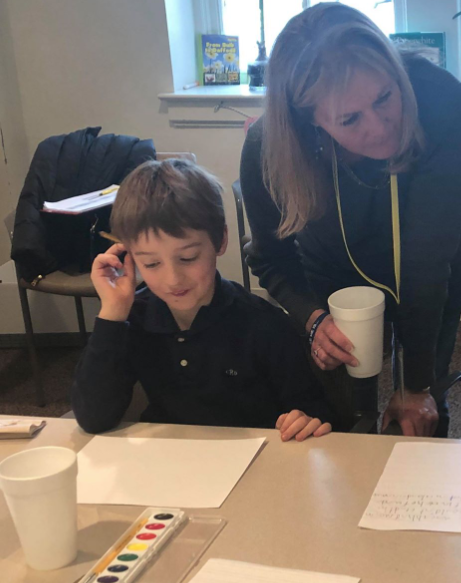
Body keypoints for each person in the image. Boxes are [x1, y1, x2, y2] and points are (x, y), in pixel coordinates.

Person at [240, 3, 461, 438]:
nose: (382, 127)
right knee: (340, 409)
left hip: (435, 257)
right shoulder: (268, 146)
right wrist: (313, 319)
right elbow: (270, 258)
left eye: (385, 97)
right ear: (310, 121)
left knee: (423, 402)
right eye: (350, 119)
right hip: (331, 264)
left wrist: (417, 385)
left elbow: (426, 267)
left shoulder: (438, 96)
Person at [71, 158, 333, 441]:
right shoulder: (133, 318)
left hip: (252, 456)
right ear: (130, 257)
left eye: (188, 257)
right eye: (151, 264)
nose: (173, 279)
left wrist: (305, 420)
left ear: (220, 240)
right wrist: (112, 312)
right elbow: (93, 418)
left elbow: (317, 412)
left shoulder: (265, 325)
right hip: (168, 457)